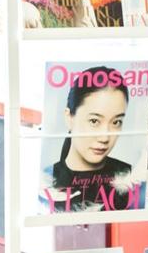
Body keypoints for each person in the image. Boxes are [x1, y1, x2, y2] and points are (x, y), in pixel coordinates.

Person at [44, 66, 140, 211]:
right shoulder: (46, 179)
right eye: (94, 121)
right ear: (69, 118)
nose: (105, 137)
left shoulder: (132, 176)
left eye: (116, 122)